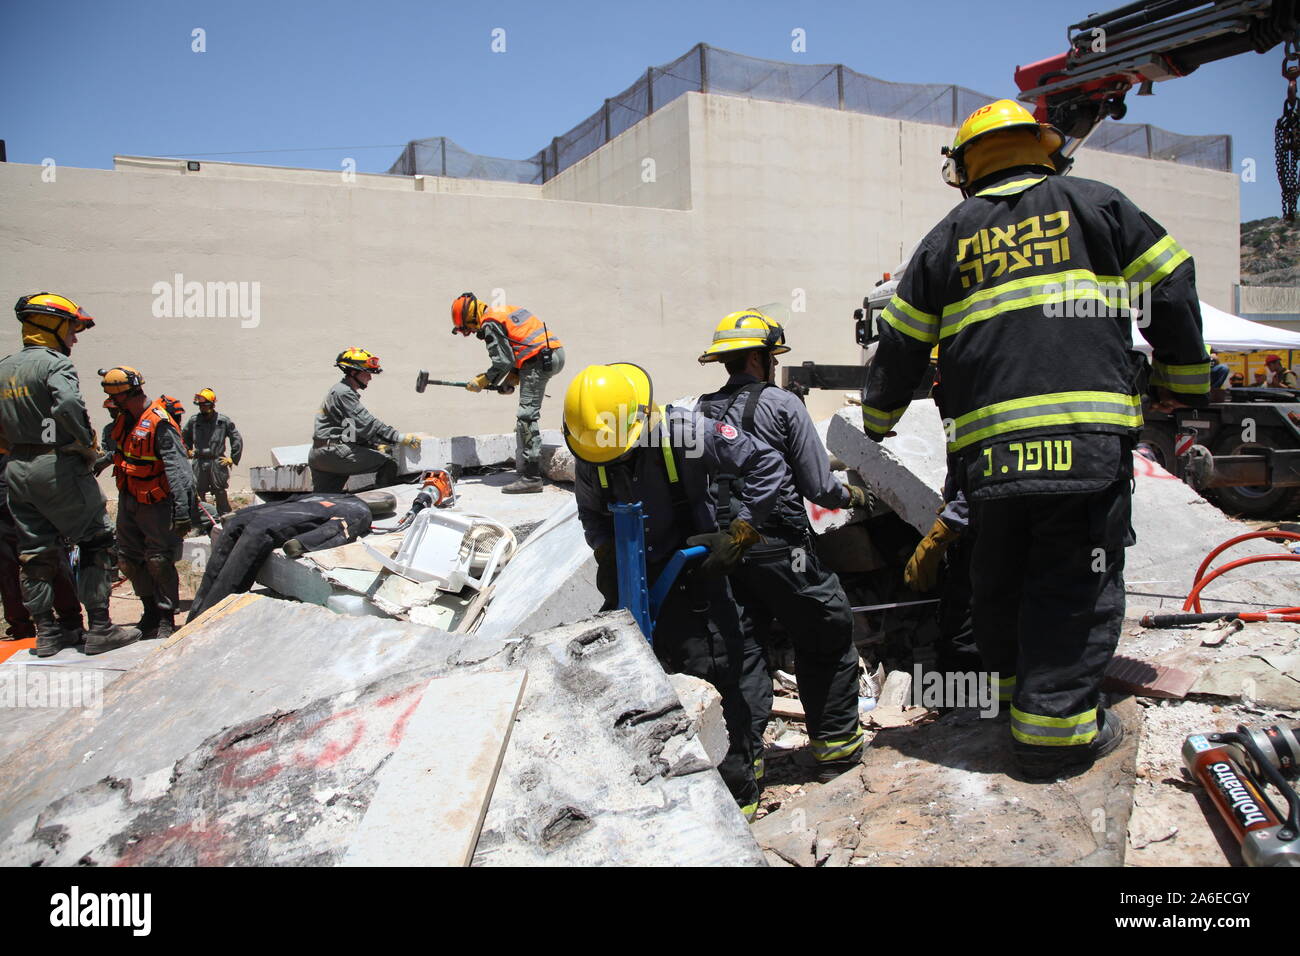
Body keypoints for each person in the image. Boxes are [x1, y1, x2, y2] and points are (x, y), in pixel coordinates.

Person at [860, 99, 1209, 779]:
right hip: (1084, 449)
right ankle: (1056, 738)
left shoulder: (946, 236)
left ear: (964, 168)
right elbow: (1170, 285)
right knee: (1074, 584)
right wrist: (1185, 384)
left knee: (1000, 579)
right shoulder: (1100, 206)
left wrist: (874, 425)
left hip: (990, 460)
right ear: (1044, 148)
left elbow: (899, 340)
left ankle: (1016, 702)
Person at [566, 362, 787, 818]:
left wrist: (742, 531)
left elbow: (766, 463)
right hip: (640, 584)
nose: (614, 465)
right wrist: (606, 555)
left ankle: (737, 797)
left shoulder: (683, 432)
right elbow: (592, 515)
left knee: (721, 676)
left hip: (699, 574)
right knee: (648, 684)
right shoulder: (592, 453)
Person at [696, 309, 870, 782]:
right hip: (782, 547)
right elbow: (818, 486)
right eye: (770, 356)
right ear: (758, 358)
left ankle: (742, 776)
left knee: (743, 656)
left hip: (727, 552)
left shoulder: (701, 410)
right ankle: (836, 749)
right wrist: (853, 495)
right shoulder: (784, 405)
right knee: (825, 633)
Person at [0, 294, 139, 657]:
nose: (75, 338)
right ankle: (100, 629)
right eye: (72, 329)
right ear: (53, 326)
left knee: (34, 552)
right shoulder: (54, 365)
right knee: (95, 540)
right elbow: (68, 405)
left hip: (16, 468)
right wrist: (83, 445)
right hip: (57, 466)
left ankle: (47, 634)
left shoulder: (4, 367)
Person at [102, 366, 196, 646]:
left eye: (113, 398)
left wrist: (182, 510)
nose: (111, 404)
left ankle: (167, 617)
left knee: (158, 559)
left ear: (127, 394)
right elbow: (122, 452)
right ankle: (150, 612)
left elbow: (178, 468)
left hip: (156, 502)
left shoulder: (159, 421)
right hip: (129, 497)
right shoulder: (125, 419)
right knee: (128, 559)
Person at [451, 293, 565, 494]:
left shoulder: (489, 323)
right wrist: (511, 380)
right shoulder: (503, 311)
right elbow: (517, 350)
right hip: (551, 354)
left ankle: (531, 477)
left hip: (538, 360)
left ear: (471, 318)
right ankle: (529, 467)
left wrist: (483, 380)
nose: (471, 332)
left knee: (526, 417)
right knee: (527, 413)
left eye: (467, 329)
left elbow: (502, 361)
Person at [0, 445, 83, 643]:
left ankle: (70, 622)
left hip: (30, 501)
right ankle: (22, 627)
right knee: (7, 571)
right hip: (4, 512)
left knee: (50, 560)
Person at [308, 348, 420, 492]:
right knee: (388, 463)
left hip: (321, 454)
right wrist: (399, 437)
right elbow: (367, 424)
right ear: (353, 372)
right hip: (336, 453)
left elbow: (350, 429)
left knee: (325, 499)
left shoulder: (339, 392)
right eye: (367, 373)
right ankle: (385, 502)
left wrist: (372, 445)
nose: (370, 377)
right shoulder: (344, 393)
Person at [183, 388, 243, 515]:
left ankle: (225, 517)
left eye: (205, 406)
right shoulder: (194, 421)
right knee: (198, 492)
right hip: (199, 462)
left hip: (217, 461)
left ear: (212, 405)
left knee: (220, 491)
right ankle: (201, 521)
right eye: (200, 406)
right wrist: (187, 449)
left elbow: (236, 438)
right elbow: (184, 436)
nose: (202, 409)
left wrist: (233, 458)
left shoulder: (223, 421)